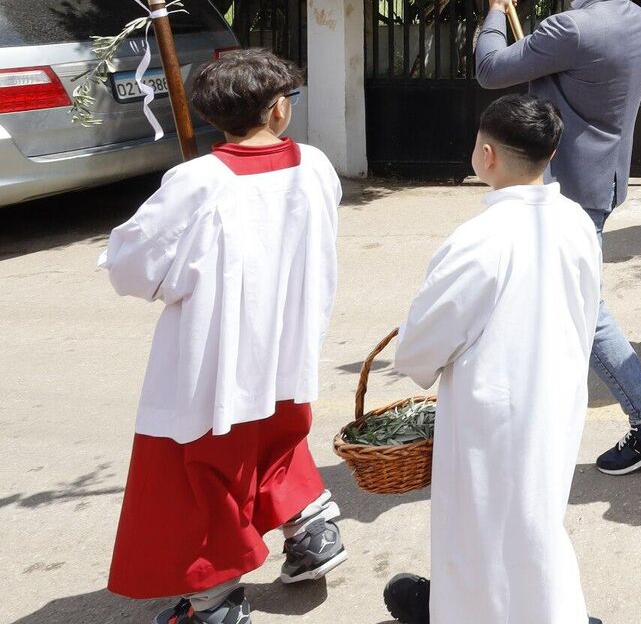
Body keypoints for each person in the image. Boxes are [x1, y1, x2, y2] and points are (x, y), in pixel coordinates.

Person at [101, 51, 345, 624]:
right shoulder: (315, 166)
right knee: (279, 435)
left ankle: (214, 597)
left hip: (217, 352)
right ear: (280, 110)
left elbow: (136, 269)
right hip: (288, 341)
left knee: (201, 467)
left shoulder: (196, 182)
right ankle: (310, 527)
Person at [382, 96, 605, 624]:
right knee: (535, 518)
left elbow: (424, 342)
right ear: (551, 153)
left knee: (485, 528)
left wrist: (415, 355)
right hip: (558, 392)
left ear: (485, 154)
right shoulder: (574, 220)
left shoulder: (479, 239)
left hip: (494, 410)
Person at [475, 0, 641, 475]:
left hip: (565, 184)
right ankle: (531, 411)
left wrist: (496, 10)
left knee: (581, 308)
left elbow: (490, 69)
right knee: (548, 300)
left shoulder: (569, 27)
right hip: (607, 175)